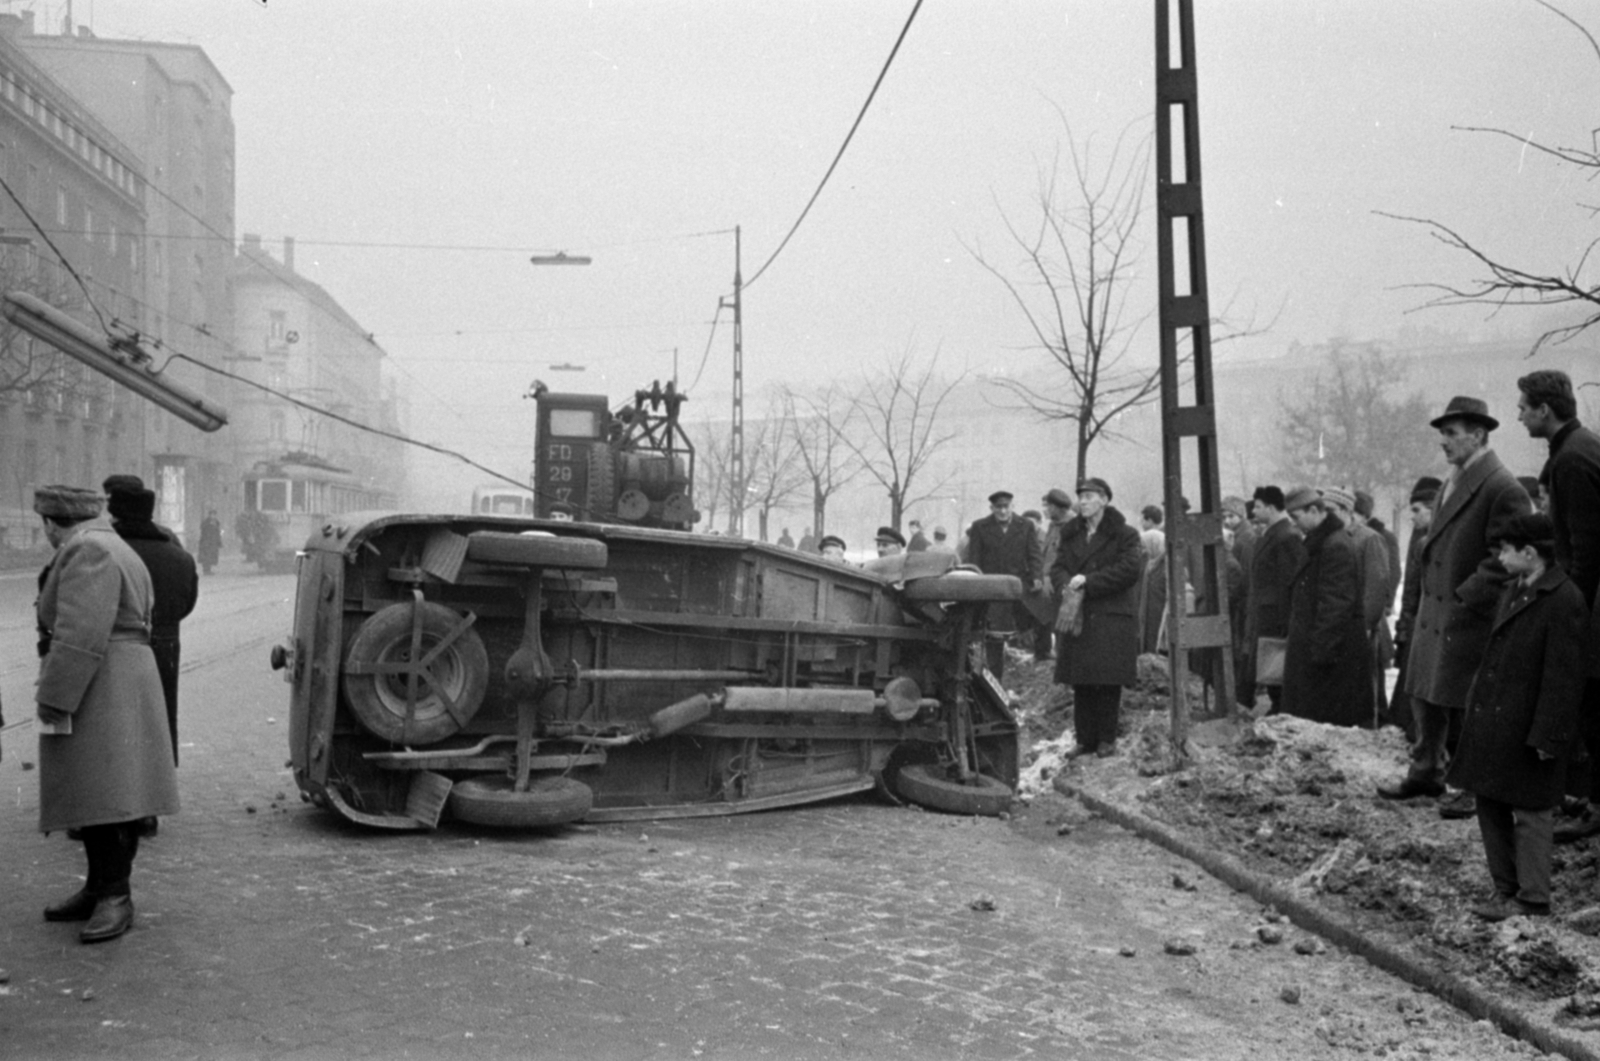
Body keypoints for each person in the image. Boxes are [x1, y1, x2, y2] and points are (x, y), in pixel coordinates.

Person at [33, 485, 179, 944]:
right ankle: (99, 888)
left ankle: (115, 895)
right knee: (103, 789)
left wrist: (54, 696)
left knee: (106, 794)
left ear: (53, 523)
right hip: (118, 674)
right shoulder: (111, 543)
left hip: (101, 679)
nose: (49, 538)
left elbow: (79, 633)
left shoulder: (88, 549)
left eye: (48, 529)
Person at [1380, 396, 1531, 814]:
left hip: (1470, 615)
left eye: (1451, 433)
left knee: (1468, 703)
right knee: (1426, 695)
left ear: (1478, 435)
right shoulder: (1455, 477)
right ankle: (1426, 772)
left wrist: (1466, 597)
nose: (1444, 442)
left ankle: (1472, 784)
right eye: (1442, 433)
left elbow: (1508, 556)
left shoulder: (1501, 486)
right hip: (1439, 610)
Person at [1446, 513, 1586, 921]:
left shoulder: (1564, 599)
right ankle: (1504, 890)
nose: (1501, 558)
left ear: (1530, 553)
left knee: (1531, 811)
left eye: (1507, 551)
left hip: (1529, 729)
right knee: (1489, 802)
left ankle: (1533, 898)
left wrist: (1549, 736)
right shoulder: (1514, 590)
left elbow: (1564, 677)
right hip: (1495, 722)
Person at [1515, 370, 1600, 842]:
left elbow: (1585, 550)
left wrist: (1572, 613)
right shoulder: (1581, 446)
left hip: (1591, 604)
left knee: (1591, 704)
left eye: (1524, 406)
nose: (1519, 415)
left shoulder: (1571, 459)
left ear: (1544, 410)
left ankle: (1594, 807)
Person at [1050, 477, 1144, 758]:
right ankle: (1084, 739)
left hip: (1110, 617)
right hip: (1078, 614)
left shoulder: (1125, 534)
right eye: (1081, 497)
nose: (1083, 502)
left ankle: (1106, 738)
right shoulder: (1071, 534)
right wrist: (1068, 584)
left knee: (1106, 680)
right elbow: (1058, 568)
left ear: (1104, 500)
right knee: (1081, 680)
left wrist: (1088, 581)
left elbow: (1129, 571)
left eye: (1089, 496)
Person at [106, 484, 198, 768]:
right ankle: (158, 785)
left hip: (117, 646)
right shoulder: (177, 554)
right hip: (167, 642)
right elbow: (187, 602)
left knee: (117, 721)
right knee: (161, 715)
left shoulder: (108, 550)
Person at [1280, 486, 1371, 727]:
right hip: (1319, 646)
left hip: (1329, 653)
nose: (1293, 524)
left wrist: (1320, 652)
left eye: (1296, 518)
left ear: (1314, 510)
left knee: (1324, 720)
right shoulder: (1322, 541)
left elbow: (1336, 604)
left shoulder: (1333, 544)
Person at [965, 490, 1044, 680]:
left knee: (1024, 632)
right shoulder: (980, 527)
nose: (1002, 511)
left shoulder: (1025, 526)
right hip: (992, 590)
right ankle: (994, 680)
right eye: (998, 507)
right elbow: (974, 559)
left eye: (1005, 507)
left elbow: (1034, 554)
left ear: (1012, 506)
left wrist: (1036, 577)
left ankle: (1026, 679)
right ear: (992, 508)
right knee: (994, 637)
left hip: (1017, 589)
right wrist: (976, 582)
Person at [1387, 476, 1442, 736]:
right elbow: (1410, 585)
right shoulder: (1420, 538)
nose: (1414, 518)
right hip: (1417, 620)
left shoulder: (1436, 541)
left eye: (1418, 510)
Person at [1245, 486, 1306, 714]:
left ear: (1271, 508)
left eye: (1258, 506)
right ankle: (1276, 706)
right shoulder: (1275, 533)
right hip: (1268, 613)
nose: (1254, 512)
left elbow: (1290, 582)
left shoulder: (1286, 536)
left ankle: (1280, 709)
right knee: (1268, 665)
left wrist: (1285, 620)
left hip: (1277, 616)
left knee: (1275, 665)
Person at [197, 510, 223, 575]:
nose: (213, 516)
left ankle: (209, 570)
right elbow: (203, 530)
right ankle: (206, 570)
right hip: (206, 542)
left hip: (213, 542)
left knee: (211, 556)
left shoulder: (216, 522)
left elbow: (218, 532)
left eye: (214, 514)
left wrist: (219, 541)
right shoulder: (206, 522)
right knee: (206, 556)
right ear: (209, 515)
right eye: (212, 514)